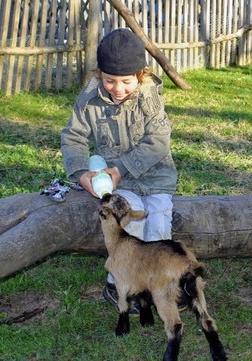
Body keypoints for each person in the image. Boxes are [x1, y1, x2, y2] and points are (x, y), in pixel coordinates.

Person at [60, 28, 180, 312]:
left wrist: (122, 167)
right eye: (109, 80)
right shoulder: (89, 99)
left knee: (159, 229)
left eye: (126, 81)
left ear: (140, 75)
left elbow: (159, 141)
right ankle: (119, 285)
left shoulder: (149, 98)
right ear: (99, 73)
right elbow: (73, 137)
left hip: (156, 178)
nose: (117, 88)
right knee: (130, 221)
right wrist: (80, 172)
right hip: (118, 183)